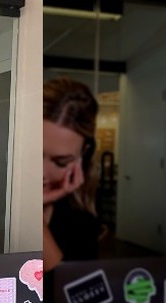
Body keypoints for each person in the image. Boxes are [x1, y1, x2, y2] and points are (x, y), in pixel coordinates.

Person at [43, 77, 100, 272]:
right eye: (32, 154)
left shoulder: (82, 222)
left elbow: (71, 294)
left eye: (61, 162)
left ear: (82, 155)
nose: (41, 173)